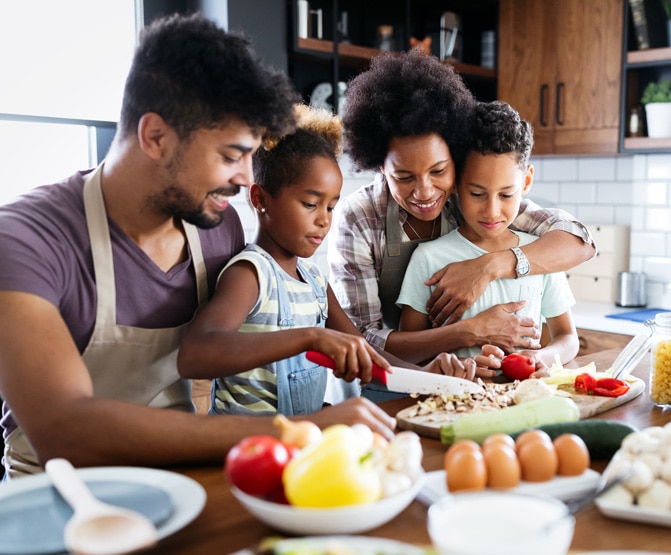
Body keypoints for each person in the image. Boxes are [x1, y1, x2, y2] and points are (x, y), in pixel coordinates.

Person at [0, 13, 393, 479]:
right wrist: (297, 430)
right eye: (231, 156)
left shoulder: (217, 229)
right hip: (59, 499)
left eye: (250, 155)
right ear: (155, 137)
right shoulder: (23, 240)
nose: (247, 178)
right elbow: (65, 431)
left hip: (181, 478)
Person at [177, 105, 475, 416]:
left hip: (300, 443)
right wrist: (310, 337)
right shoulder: (250, 274)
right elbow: (195, 354)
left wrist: (426, 375)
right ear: (260, 199)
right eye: (310, 204)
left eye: (331, 207)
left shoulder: (315, 281)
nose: (324, 220)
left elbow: (366, 352)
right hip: (246, 447)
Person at [329, 50, 596, 380]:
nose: (425, 192)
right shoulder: (359, 217)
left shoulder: (473, 197)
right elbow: (363, 339)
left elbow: (579, 242)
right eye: (404, 177)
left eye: (438, 170)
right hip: (381, 383)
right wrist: (471, 332)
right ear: (379, 166)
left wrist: (487, 267)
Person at [397, 101, 578, 371]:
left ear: (526, 182)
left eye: (506, 194)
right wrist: (458, 365)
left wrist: (541, 359)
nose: (492, 211)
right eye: (477, 194)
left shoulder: (540, 255)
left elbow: (567, 337)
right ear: (456, 182)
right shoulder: (429, 258)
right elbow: (408, 352)